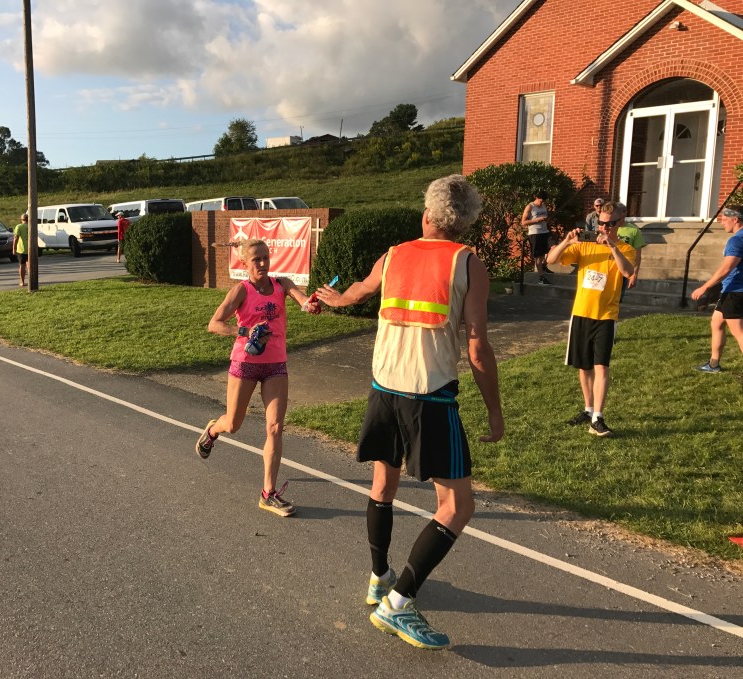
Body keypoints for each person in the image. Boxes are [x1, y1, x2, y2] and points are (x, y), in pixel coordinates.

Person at [315, 174, 504, 651]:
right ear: (465, 224)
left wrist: (333, 299)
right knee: (457, 506)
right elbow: (478, 347)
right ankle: (397, 603)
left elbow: (359, 291)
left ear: (426, 216)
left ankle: (380, 577)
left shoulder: (394, 254)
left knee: (383, 485)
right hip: (430, 397)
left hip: (384, 390)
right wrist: (494, 411)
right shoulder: (468, 263)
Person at [194, 238, 319, 518]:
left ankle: (268, 494)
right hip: (245, 363)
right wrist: (244, 331)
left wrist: (309, 305)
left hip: (275, 365)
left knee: (275, 427)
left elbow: (301, 300)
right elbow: (214, 324)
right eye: (256, 260)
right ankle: (213, 430)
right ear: (245, 264)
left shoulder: (281, 284)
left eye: (265, 257)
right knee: (233, 424)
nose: (262, 263)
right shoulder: (241, 290)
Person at [546, 200, 635, 437]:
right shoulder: (585, 246)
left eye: (609, 224)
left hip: (606, 316)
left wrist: (612, 246)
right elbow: (551, 261)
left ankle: (598, 418)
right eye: (601, 223)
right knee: (584, 367)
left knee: (601, 366)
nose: (604, 228)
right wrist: (567, 241)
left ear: (619, 223)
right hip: (581, 313)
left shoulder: (625, 248)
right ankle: (588, 409)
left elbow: (627, 272)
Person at [691, 204, 743, 372]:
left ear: (736, 220)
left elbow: (726, 268)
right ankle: (714, 364)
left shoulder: (736, 240)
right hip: (732, 290)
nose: (722, 223)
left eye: (725, 219)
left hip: (735, 291)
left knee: (739, 332)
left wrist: (705, 287)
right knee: (717, 322)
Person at [521, 190, 553, 285]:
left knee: (554, 247)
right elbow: (523, 222)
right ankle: (541, 277)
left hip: (545, 231)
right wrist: (537, 220)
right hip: (535, 233)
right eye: (540, 200)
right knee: (538, 256)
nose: (541, 203)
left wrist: (547, 220)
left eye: (543, 201)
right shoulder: (530, 206)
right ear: (536, 198)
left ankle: (544, 265)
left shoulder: (544, 206)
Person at [616, 219, 646, 291]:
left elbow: (637, 256)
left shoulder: (634, 230)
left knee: (618, 296)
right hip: (608, 270)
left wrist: (634, 274)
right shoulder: (606, 229)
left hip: (624, 271)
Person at [12, 213, 30, 287]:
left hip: (22, 249)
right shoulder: (31, 226)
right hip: (30, 249)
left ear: (21, 219)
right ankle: (31, 280)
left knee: (22, 265)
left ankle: (22, 281)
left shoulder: (19, 226)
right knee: (29, 265)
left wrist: (14, 248)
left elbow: (16, 238)